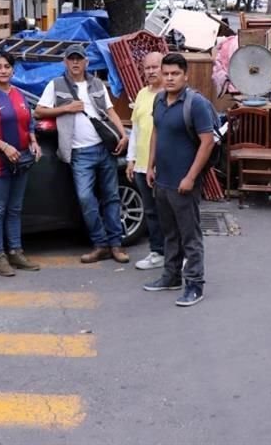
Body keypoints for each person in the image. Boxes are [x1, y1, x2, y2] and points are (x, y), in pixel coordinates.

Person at [34, 44, 130, 264]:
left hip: (104, 148)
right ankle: (100, 244)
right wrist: (66, 108)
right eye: (71, 59)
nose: (75, 63)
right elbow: (38, 111)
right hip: (78, 152)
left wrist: (123, 135)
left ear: (86, 62)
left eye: (79, 59)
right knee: (86, 199)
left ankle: (116, 245)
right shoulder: (56, 84)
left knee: (112, 197)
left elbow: (110, 111)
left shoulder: (97, 83)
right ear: (65, 62)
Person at [145, 53, 216, 307]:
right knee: (170, 233)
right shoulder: (159, 100)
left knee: (190, 236)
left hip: (184, 183)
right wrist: (150, 165)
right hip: (162, 181)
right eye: (166, 73)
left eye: (175, 73)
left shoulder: (195, 104)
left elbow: (207, 142)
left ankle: (195, 284)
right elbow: (156, 132)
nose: (169, 78)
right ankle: (171, 276)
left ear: (185, 75)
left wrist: (191, 177)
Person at [0, 51, 43, 276]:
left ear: (13, 70)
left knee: (15, 209)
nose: (3, 71)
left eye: (7, 66)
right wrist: (4, 147)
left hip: (20, 162)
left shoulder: (19, 94)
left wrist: (33, 141)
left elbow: (29, 122)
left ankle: (15, 251)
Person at [126, 52, 165, 270]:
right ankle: (157, 252)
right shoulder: (142, 94)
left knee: (169, 212)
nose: (150, 71)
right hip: (142, 165)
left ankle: (177, 254)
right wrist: (131, 159)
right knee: (150, 211)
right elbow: (136, 130)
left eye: (154, 67)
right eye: (147, 68)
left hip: (164, 165)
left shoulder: (170, 94)